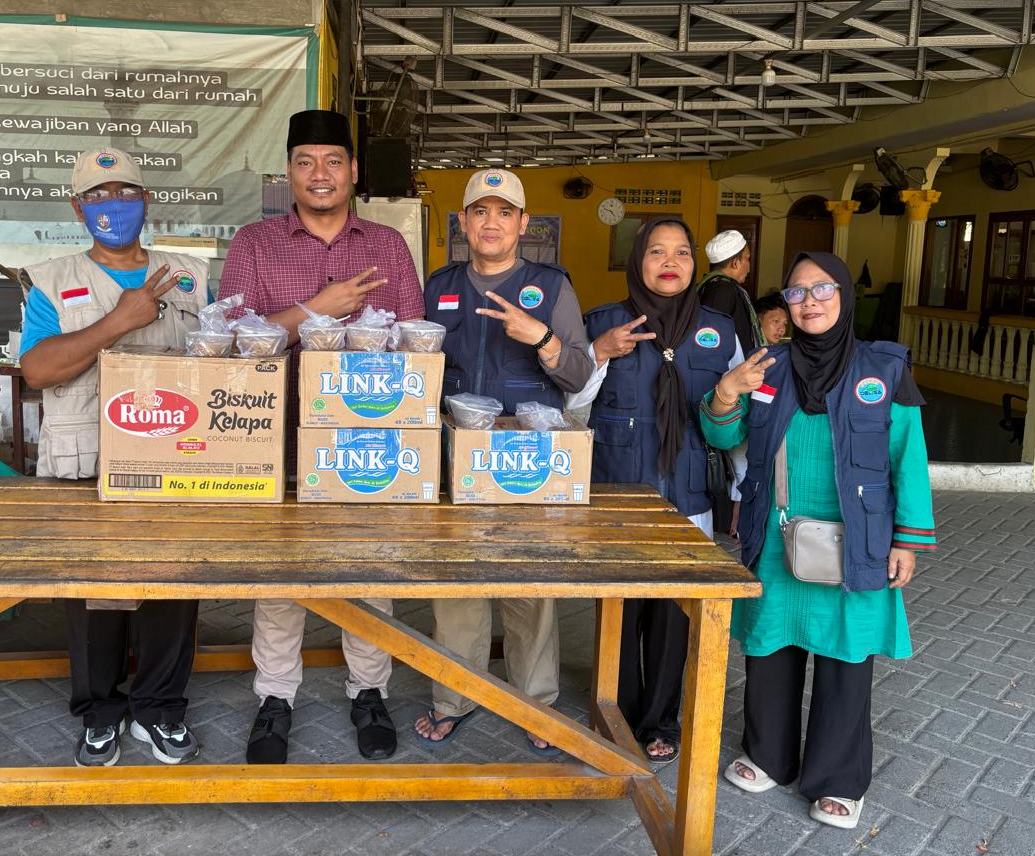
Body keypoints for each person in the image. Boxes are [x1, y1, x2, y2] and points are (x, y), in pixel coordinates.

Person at [218, 109, 425, 765]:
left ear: (354, 171)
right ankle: (275, 697)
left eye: (333, 161)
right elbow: (230, 343)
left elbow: (415, 344)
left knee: (369, 569)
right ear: (288, 172)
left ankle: (370, 690)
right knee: (280, 576)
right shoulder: (254, 243)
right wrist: (318, 310)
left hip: (368, 436)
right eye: (305, 161)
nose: (319, 174)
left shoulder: (387, 246)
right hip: (274, 439)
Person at [701, 251, 935, 831]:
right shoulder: (769, 366)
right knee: (770, 646)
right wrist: (726, 391)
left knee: (845, 656)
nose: (809, 302)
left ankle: (838, 780)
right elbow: (721, 435)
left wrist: (906, 541)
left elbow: (908, 459)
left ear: (844, 296)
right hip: (777, 533)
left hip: (857, 540)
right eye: (797, 292)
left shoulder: (885, 369)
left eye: (823, 288)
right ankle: (768, 756)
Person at [20, 147, 205, 768]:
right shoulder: (51, 280)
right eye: (97, 196)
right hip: (84, 463)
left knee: (172, 587)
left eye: (124, 192)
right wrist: (117, 322)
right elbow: (37, 369)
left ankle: (160, 707)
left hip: (174, 456)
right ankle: (100, 713)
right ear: (77, 209)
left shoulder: (189, 274)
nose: (112, 205)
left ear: (145, 201)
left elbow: (220, 351)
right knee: (93, 596)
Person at [412, 168, 592, 754]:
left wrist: (540, 337)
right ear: (463, 223)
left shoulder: (551, 285)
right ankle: (454, 697)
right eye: (480, 211)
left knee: (530, 582)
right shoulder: (439, 285)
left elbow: (579, 373)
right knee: (455, 581)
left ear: (523, 223)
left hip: (527, 457)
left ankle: (535, 701)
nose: (492, 222)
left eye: (504, 212)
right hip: (453, 454)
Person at [567, 218, 743, 763]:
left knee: (673, 613)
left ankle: (660, 719)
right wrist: (599, 353)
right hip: (620, 490)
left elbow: (740, 411)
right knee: (620, 607)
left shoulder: (720, 330)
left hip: (688, 493)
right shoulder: (603, 322)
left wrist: (742, 488)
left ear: (695, 264)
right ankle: (616, 711)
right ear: (637, 261)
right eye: (657, 251)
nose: (670, 262)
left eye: (682, 252)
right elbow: (571, 406)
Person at [699, 229, 762, 356]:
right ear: (735, 263)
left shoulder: (710, 285)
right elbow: (711, 340)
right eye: (747, 259)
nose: (749, 268)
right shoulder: (722, 291)